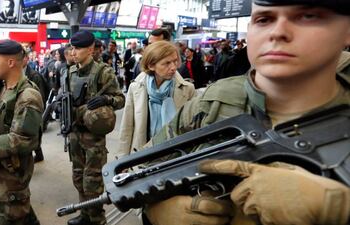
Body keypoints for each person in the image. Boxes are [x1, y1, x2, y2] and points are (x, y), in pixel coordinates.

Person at [145, 1, 350, 225]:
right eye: (264, 19)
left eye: (308, 16)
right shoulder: (211, 102)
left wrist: (336, 206)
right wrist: (155, 210)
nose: (278, 32)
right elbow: (140, 172)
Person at [0, 40, 42, 225]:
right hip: (2, 164)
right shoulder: (1, 87)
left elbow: (21, 140)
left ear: (11, 62)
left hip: (14, 169)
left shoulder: (27, 96)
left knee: (11, 215)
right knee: (19, 210)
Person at [67, 30, 125, 225]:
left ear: (90, 49)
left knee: (92, 181)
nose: (73, 52)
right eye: (72, 48)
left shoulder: (103, 71)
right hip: (75, 133)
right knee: (78, 177)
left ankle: (97, 219)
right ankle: (85, 215)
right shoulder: (71, 71)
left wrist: (106, 99)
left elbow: (120, 99)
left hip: (93, 137)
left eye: (78, 48)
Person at [118, 41, 195, 158]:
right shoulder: (136, 88)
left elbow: (193, 129)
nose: (173, 67)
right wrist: (122, 160)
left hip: (176, 155)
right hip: (142, 154)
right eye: (167, 63)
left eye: (175, 61)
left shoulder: (187, 89)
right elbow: (127, 127)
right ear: (151, 65)